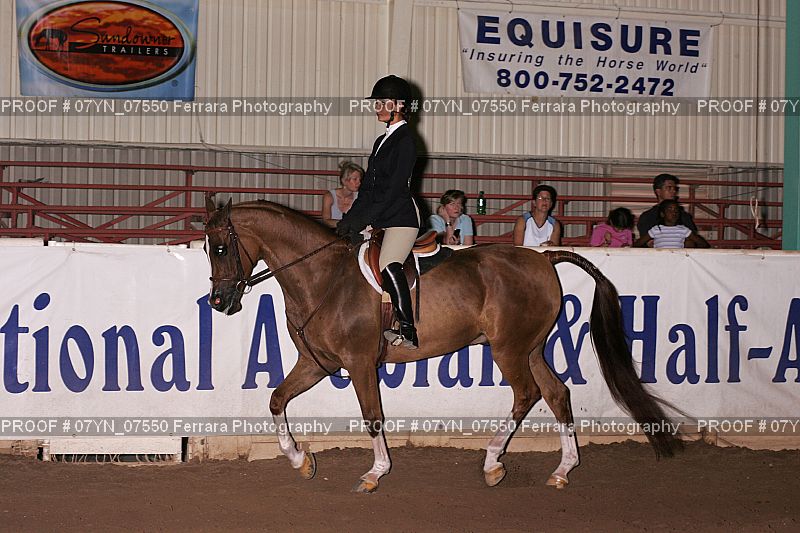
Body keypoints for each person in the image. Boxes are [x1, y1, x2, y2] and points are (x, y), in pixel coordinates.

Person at [336, 75, 421, 349]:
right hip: (381, 215)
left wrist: (365, 219)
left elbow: (393, 190)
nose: (378, 108)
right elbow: (369, 190)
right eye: (378, 103)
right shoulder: (381, 141)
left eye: (383, 103)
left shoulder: (406, 141)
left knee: (388, 262)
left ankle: (407, 328)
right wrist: (349, 220)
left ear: (399, 105)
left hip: (400, 218)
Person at [637, 173, 697, 239]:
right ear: (658, 192)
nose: (673, 191)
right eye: (669, 188)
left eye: (675, 188)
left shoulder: (683, 215)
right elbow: (646, 241)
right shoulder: (647, 216)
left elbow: (693, 239)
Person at [634, 199, 710, 249]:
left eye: (676, 210)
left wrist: (690, 253)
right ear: (662, 214)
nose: (674, 213)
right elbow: (638, 244)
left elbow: (703, 244)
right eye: (670, 210)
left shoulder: (683, 229)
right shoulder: (656, 229)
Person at [321, 161, 364, 228]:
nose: (359, 183)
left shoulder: (360, 197)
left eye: (359, 179)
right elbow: (326, 221)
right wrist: (344, 224)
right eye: (355, 179)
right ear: (344, 181)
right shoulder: (329, 196)